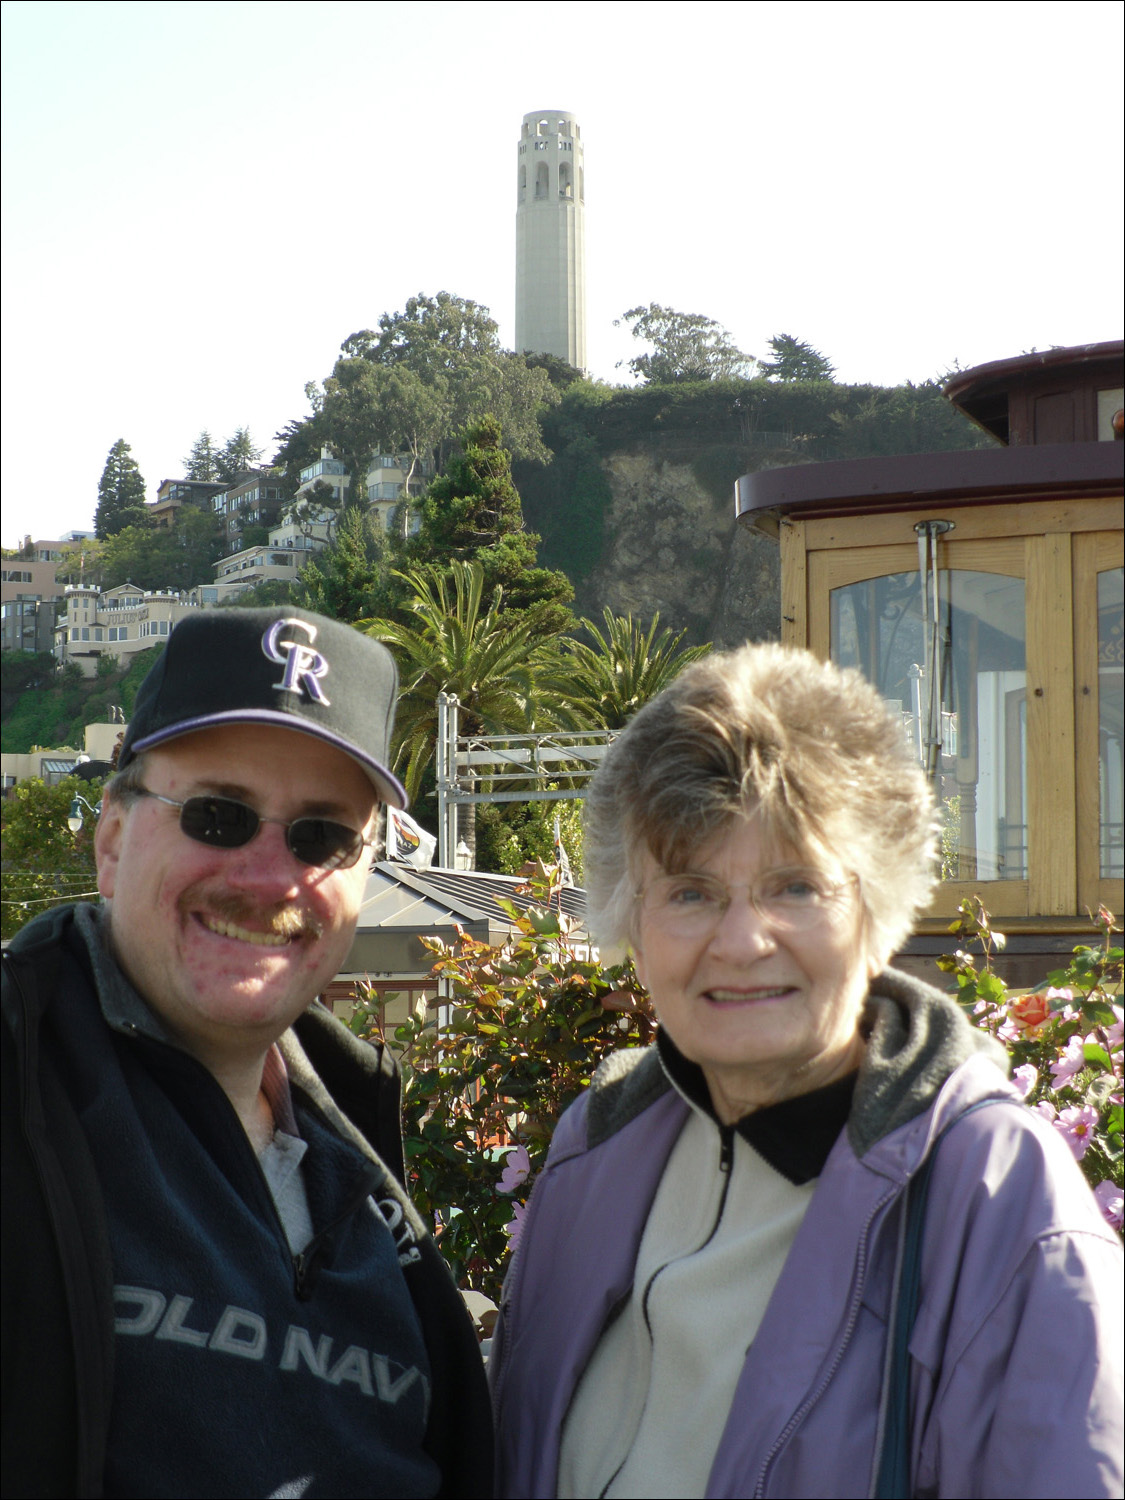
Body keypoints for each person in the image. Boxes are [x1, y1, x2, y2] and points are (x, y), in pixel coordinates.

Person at [489, 642, 1123, 1500]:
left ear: (880, 907)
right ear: (627, 920)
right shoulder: (593, 1154)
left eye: (795, 887)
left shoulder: (997, 1202)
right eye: (689, 890)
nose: (743, 942)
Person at [2, 608, 492, 1499]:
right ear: (112, 839)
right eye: (218, 816)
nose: (271, 880)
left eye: (322, 836)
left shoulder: (356, 1147)